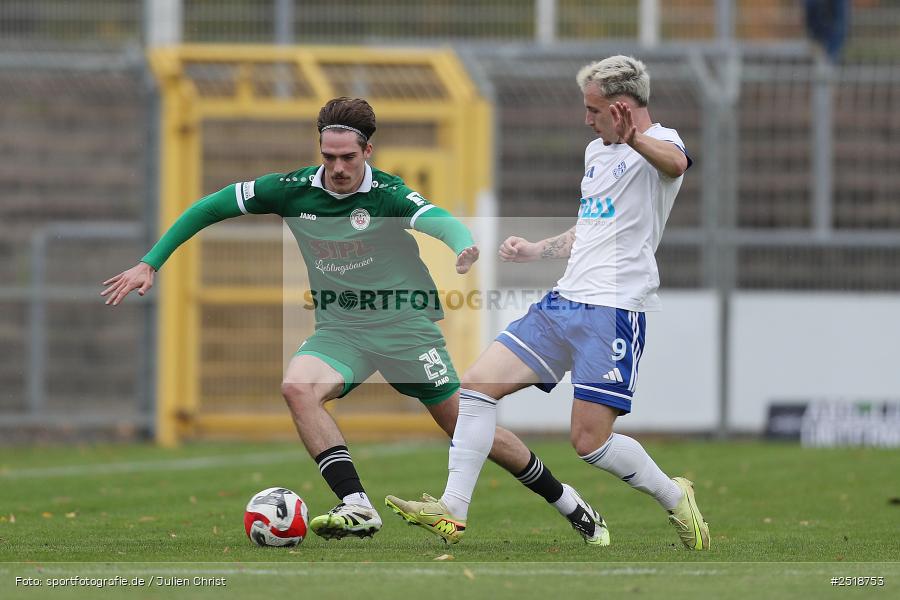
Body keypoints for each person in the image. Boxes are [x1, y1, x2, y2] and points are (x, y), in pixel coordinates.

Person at [101, 97, 608, 545]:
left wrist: (460, 245)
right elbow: (211, 206)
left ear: (368, 152)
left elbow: (435, 217)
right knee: (298, 388)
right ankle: (357, 506)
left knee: (466, 427)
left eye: (348, 157)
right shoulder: (292, 189)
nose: (338, 167)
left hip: (404, 328)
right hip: (341, 331)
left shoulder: (387, 193)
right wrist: (151, 262)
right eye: (329, 156)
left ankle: (567, 501)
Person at [386, 56, 710, 550]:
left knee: (590, 444)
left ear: (622, 109)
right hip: (564, 301)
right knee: (474, 388)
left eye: (594, 109)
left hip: (615, 309)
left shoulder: (660, 143)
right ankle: (453, 508)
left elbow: (678, 164)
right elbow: (594, 225)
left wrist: (635, 139)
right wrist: (540, 250)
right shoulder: (596, 152)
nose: (587, 119)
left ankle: (673, 495)